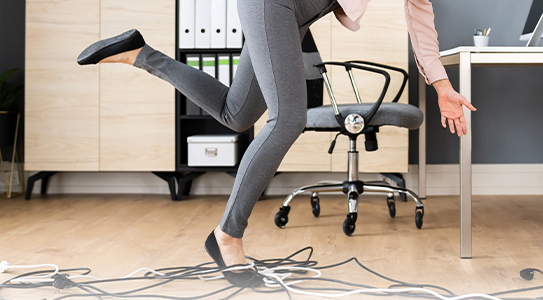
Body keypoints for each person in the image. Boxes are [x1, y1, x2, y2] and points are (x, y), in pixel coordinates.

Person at [76, 0, 475, 287]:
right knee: (287, 119)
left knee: (236, 113)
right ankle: (228, 235)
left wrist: (442, 86)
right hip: (275, 4)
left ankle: (140, 53)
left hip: (291, 13)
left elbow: (419, 17)